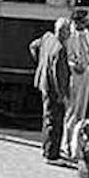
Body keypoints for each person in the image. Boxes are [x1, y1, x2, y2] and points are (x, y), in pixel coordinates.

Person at [30, 17, 72, 164]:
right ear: (64, 32)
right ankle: (52, 155)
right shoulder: (60, 49)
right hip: (53, 90)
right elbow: (58, 75)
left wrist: (41, 64)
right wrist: (63, 95)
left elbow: (33, 46)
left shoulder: (48, 37)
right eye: (68, 31)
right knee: (55, 120)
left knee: (47, 118)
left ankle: (46, 147)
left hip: (43, 83)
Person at [61, 7, 89, 160]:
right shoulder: (70, 35)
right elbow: (67, 55)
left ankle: (75, 144)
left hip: (86, 73)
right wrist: (74, 65)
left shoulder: (85, 33)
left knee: (81, 110)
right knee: (73, 110)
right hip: (76, 75)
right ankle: (67, 144)